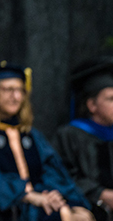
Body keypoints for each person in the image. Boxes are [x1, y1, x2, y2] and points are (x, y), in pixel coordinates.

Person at [0, 62, 93, 221]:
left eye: (20, 90)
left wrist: (58, 196)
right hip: (2, 206)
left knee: (83, 215)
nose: (16, 97)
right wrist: (26, 195)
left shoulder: (30, 133)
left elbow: (51, 168)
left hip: (40, 200)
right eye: (8, 90)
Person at [54, 57, 113, 221]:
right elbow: (61, 174)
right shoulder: (70, 135)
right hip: (88, 207)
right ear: (92, 105)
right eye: (111, 99)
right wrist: (100, 193)